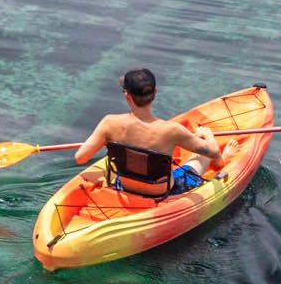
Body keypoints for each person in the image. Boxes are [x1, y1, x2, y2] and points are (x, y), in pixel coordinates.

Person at [73, 67, 229, 199]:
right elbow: (213, 151)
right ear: (155, 91)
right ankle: (224, 160)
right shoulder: (172, 130)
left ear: (127, 95)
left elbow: (81, 158)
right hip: (163, 192)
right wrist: (207, 134)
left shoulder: (109, 123)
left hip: (125, 186)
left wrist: (104, 139)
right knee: (202, 156)